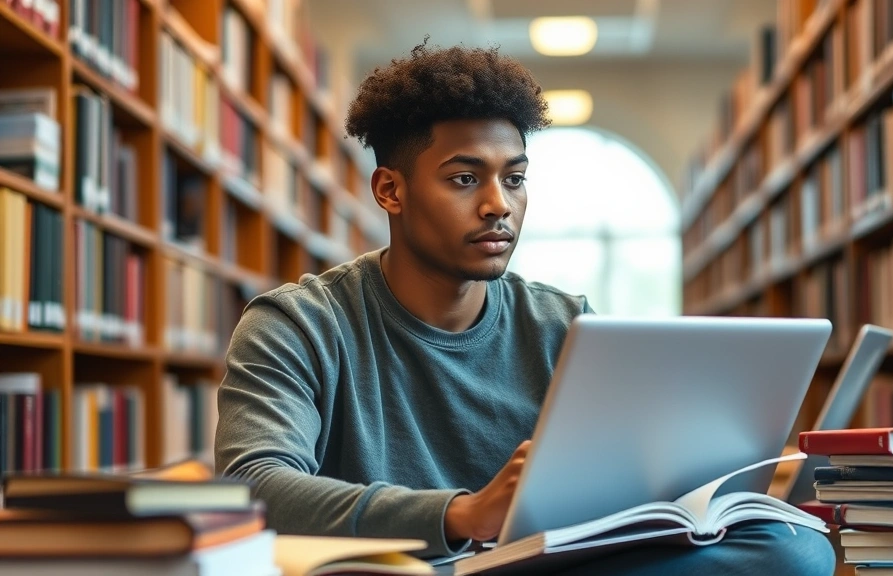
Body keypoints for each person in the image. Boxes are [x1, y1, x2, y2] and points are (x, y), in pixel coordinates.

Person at [215, 41, 836, 575]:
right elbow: (254, 486)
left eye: (514, 179)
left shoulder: (567, 325)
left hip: (541, 565)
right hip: (405, 567)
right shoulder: (297, 324)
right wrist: (462, 513)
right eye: (465, 179)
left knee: (795, 549)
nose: (498, 205)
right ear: (390, 191)